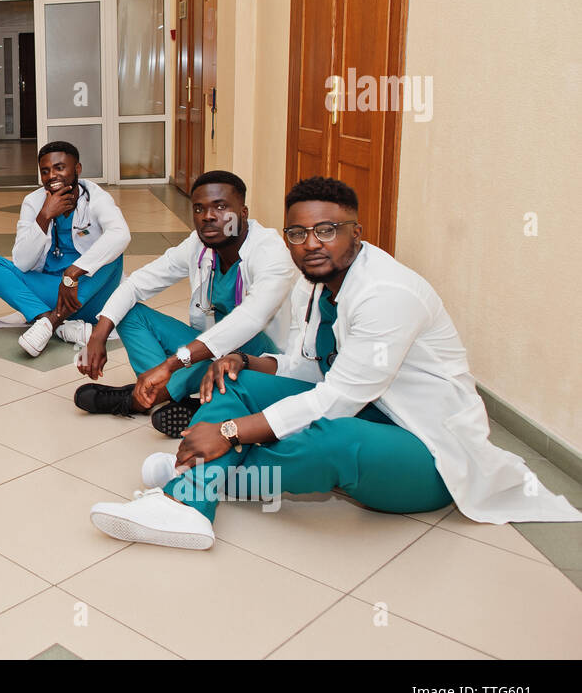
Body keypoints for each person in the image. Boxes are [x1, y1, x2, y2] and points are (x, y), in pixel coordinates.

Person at [89, 177, 582, 549]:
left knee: (330, 435)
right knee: (231, 381)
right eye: (298, 232)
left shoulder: (386, 294)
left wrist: (231, 433)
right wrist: (247, 362)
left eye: (327, 230)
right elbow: (308, 368)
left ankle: (194, 478)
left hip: (429, 453)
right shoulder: (318, 286)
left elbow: (337, 398)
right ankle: (191, 505)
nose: (311, 243)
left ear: (356, 232)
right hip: (373, 412)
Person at [73, 171, 298, 436]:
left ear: (244, 212)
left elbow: (248, 321)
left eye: (221, 206)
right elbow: (136, 284)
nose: (208, 216)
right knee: (129, 313)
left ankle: (140, 398)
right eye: (199, 208)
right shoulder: (198, 244)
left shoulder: (270, 253)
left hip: (259, 358)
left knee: (234, 340)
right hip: (206, 349)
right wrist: (99, 334)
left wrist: (170, 365)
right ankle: (171, 397)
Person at [0, 141, 130, 357]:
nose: (52, 176)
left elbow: (121, 234)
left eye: (60, 168)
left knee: (114, 253)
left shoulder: (96, 198)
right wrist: (44, 216)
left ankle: (49, 321)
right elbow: (22, 262)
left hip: (89, 293)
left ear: (77, 169)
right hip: (53, 290)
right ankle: (55, 325)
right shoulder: (33, 202)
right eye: (45, 171)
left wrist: (74, 272)